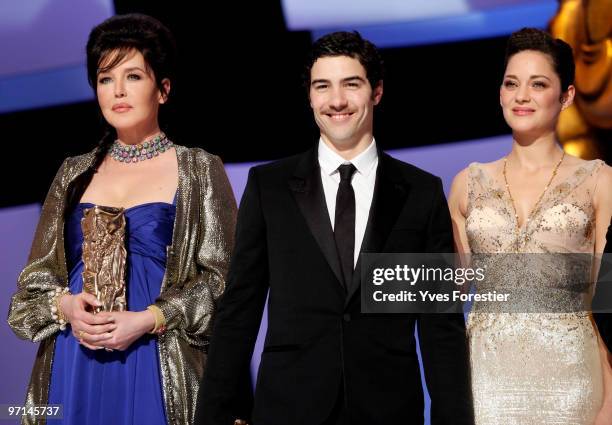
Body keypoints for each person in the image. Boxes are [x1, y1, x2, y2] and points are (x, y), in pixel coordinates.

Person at [196, 31, 474, 425]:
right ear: (310, 97)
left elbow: (440, 325)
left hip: (389, 408)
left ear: (376, 92)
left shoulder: (421, 192)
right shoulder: (268, 186)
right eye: (322, 86)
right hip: (289, 407)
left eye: (351, 84)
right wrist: (213, 416)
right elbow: (239, 310)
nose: (337, 101)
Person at [7, 14, 236, 425]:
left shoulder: (199, 169)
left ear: (163, 89)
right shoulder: (73, 173)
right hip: (74, 359)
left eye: (133, 76)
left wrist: (152, 318)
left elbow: (225, 282)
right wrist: (67, 307)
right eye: (105, 78)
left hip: (157, 358)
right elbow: (30, 291)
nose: (118, 91)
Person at [448, 28, 612, 424]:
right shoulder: (466, 183)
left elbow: (608, 301)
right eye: (511, 83)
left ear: (567, 95)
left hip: (572, 380)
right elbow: (448, 297)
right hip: (484, 382)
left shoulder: (598, 180)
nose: (521, 96)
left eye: (538, 84)